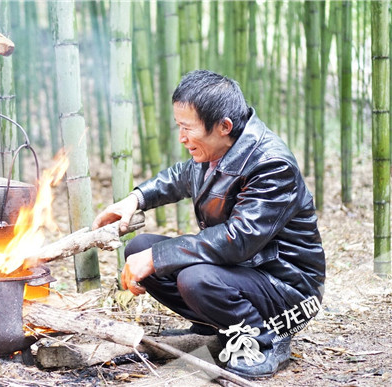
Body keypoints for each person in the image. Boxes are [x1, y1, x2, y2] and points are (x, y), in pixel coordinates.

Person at [92, 70, 325, 379]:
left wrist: (157, 258)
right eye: (179, 126)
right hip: (247, 271)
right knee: (139, 247)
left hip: (287, 289)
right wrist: (135, 199)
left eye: (187, 128)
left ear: (224, 126)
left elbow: (238, 239)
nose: (181, 137)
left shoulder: (271, 164)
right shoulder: (216, 150)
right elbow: (179, 176)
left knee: (194, 277)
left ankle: (264, 339)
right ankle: (217, 326)